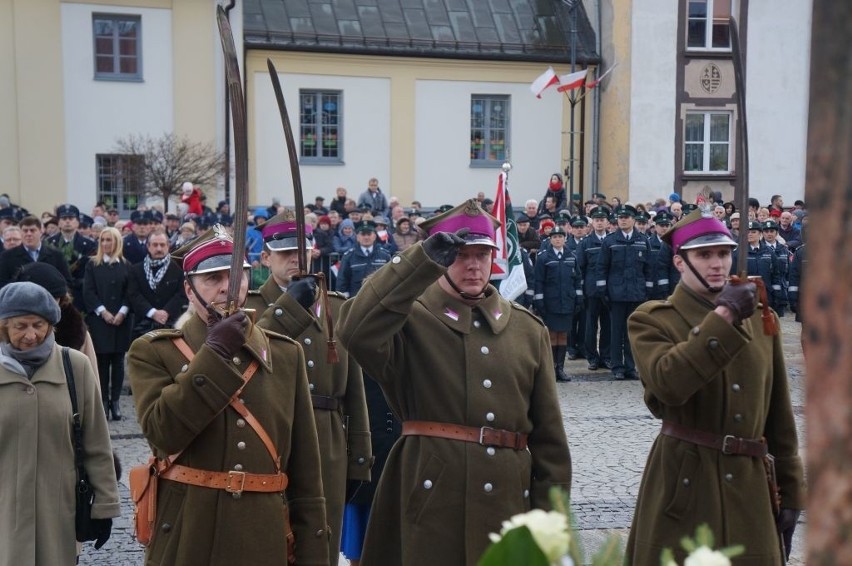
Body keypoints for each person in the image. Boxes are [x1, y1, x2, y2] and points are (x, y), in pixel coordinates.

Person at [336, 199, 572, 565]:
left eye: (482, 254)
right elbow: (354, 330)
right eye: (460, 255)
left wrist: (549, 524)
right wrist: (418, 261)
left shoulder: (527, 329)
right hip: (430, 499)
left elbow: (550, 443)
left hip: (508, 501)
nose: (474, 265)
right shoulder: (409, 321)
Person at [127, 225, 329, 565]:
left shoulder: (284, 354)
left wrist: (313, 554)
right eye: (213, 278)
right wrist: (213, 354)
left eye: (236, 276)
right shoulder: (154, 351)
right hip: (189, 532)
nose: (227, 288)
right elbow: (163, 434)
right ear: (189, 290)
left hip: (264, 537)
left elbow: (306, 473)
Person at [625, 209, 804, 564]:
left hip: (750, 487)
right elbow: (668, 385)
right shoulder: (651, 319)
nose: (717, 263)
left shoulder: (757, 315)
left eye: (723, 253)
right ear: (679, 261)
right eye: (703, 255)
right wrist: (723, 317)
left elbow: (778, 412)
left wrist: (792, 487)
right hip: (685, 482)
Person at [245, 211, 372, 565]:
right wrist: (289, 308)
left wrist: (359, 456)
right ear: (266, 257)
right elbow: (249, 356)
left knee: (322, 534)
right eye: (284, 253)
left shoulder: (336, 307)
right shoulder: (251, 307)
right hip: (272, 432)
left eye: (301, 252)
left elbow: (355, 391)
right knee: (270, 531)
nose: (295, 260)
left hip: (325, 435)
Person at [0, 282, 120, 564]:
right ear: (4, 326)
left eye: (39, 325)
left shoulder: (74, 366)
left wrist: (104, 506)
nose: (31, 335)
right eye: (21, 326)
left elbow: (97, 443)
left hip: (58, 512)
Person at [596, 204, 652, 380]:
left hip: (636, 293)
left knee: (632, 331)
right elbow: (602, 267)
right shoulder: (610, 241)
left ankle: (630, 366)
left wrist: (647, 290)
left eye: (626, 218)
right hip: (616, 293)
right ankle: (617, 366)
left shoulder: (643, 240)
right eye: (620, 218)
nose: (623, 220)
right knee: (616, 331)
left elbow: (649, 268)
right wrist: (603, 290)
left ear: (633, 220)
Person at [83, 227, 132, 420]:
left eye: (109, 240)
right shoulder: (92, 265)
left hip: (122, 319)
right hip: (100, 320)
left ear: (117, 242)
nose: (105, 244)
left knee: (118, 362)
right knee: (102, 361)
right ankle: (103, 401)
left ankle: (116, 401)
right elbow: (88, 291)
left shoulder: (126, 265)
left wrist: (122, 312)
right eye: (102, 240)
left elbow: (130, 292)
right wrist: (102, 312)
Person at [534, 226, 583, 382]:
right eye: (554, 237)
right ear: (550, 239)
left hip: (567, 302)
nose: (557, 239)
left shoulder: (571, 257)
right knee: (551, 335)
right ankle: (550, 369)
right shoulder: (543, 257)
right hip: (551, 302)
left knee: (563, 335)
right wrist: (539, 301)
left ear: (565, 238)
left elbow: (577, 280)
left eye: (560, 236)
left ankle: (560, 368)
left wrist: (578, 298)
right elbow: (539, 281)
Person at [126, 229, 187, 340]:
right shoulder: (135, 269)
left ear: (168, 246)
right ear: (148, 246)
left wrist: (166, 312)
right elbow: (133, 294)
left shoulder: (178, 270)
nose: (159, 248)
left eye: (162, 245)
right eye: (155, 245)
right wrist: (153, 312)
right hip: (142, 325)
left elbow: (182, 294)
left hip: (170, 324)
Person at [577, 206, 611, 371]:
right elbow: (580, 268)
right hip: (591, 289)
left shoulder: (611, 240)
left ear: (607, 222)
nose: (599, 223)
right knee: (590, 325)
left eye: (602, 220)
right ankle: (592, 357)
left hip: (609, 289)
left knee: (608, 324)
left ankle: (606, 356)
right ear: (592, 222)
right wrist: (581, 290)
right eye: (596, 220)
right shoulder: (586, 243)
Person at [0, 215, 73, 289]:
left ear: (41, 231)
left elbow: (66, 282)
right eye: (25, 231)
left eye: (32, 230)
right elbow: (2, 284)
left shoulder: (56, 255)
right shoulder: (7, 257)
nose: (28, 234)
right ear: (20, 232)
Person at [335, 221, 391, 298]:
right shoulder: (349, 256)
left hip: (379, 299)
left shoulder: (384, 255)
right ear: (357, 237)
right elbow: (342, 280)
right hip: (356, 299)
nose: (366, 237)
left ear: (374, 236)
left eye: (369, 234)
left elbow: (390, 278)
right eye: (363, 234)